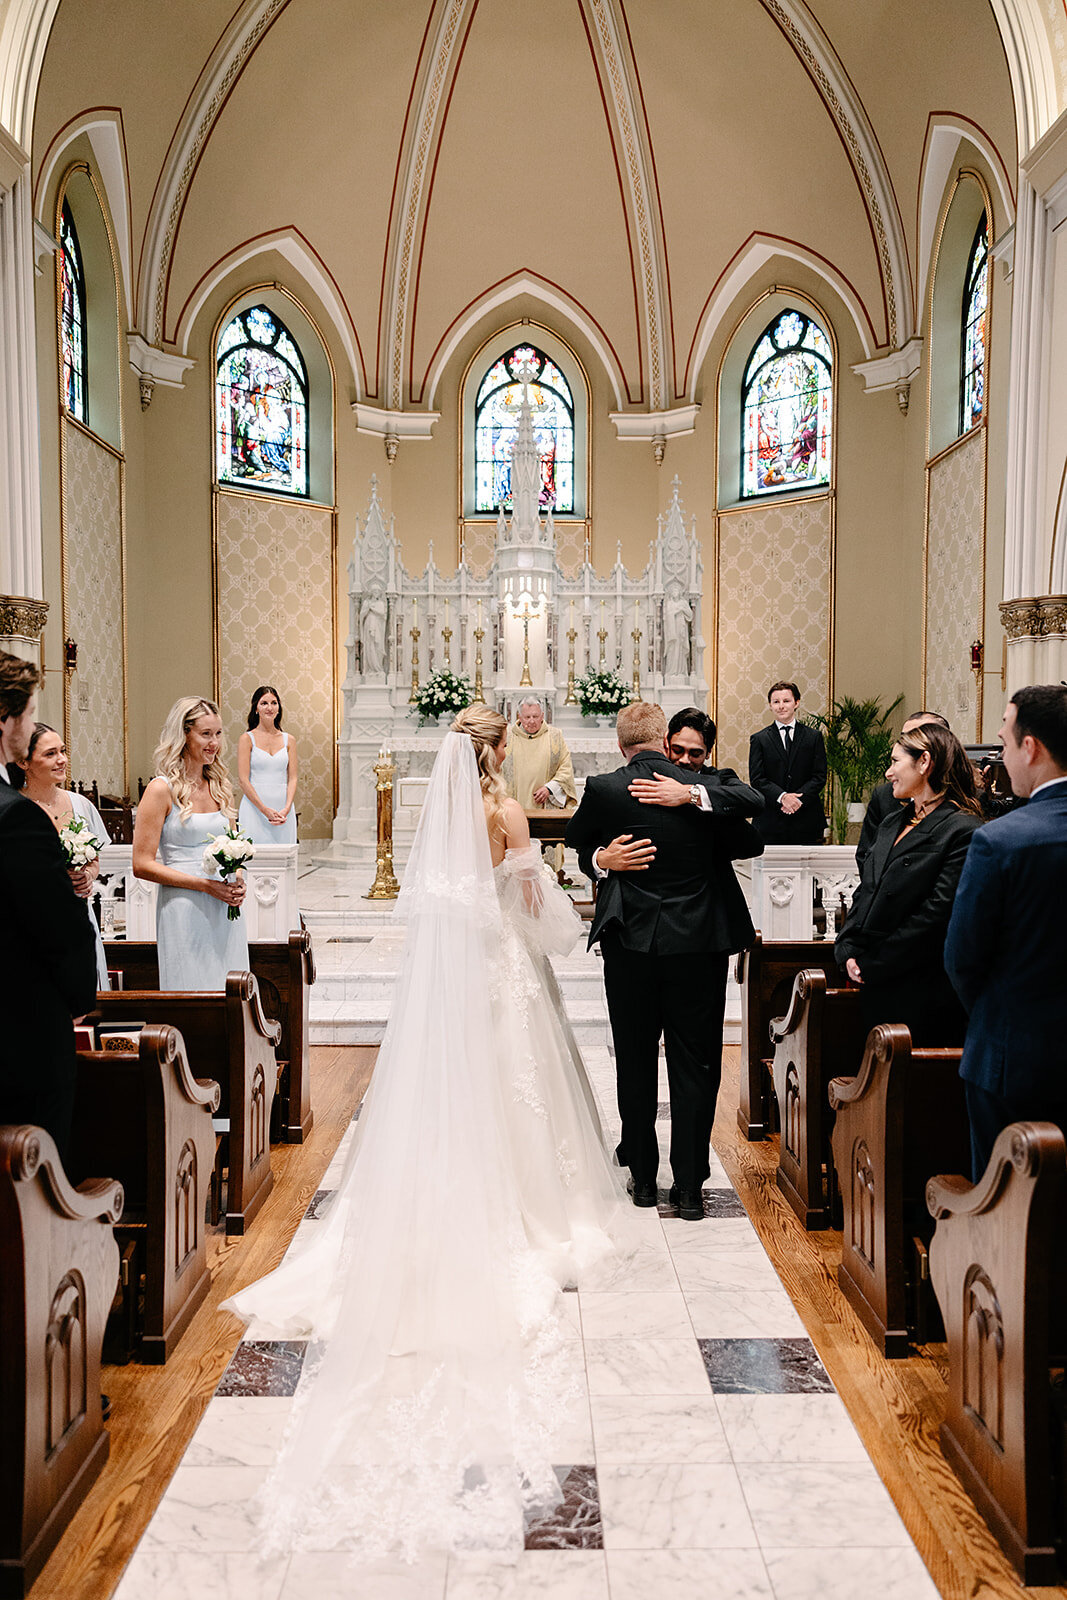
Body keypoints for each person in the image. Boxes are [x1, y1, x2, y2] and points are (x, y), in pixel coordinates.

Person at [221, 704, 638, 1560]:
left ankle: (439, 1204)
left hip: (455, 982)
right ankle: (526, 1212)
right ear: (496, 756)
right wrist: (568, 923)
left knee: (460, 1088)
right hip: (504, 969)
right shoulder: (506, 813)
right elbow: (532, 898)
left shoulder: (443, 817)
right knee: (520, 1089)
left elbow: (445, 904)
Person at [565, 701, 762, 1221]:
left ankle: (646, 1180)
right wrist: (699, 798)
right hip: (698, 945)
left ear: (620, 743)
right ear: (665, 740)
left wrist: (598, 860)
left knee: (634, 1057)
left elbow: (574, 841)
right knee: (695, 1062)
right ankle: (691, 1186)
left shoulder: (607, 790)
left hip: (630, 945)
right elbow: (750, 838)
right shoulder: (702, 794)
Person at [944, 686, 1067, 1179]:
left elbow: (962, 958)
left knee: (1005, 1215)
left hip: (1013, 1060)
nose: (1002, 758)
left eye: (1005, 743)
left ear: (1031, 748)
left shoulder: (1001, 840)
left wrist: (998, 1018)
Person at [0, 651, 97, 1157]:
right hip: (20, 1035)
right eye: (31, 714)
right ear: (6, 720)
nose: (32, 725)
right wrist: (81, 999)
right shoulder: (16, 818)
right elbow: (59, 930)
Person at [835, 723, 983, 1046]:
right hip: (876, 984)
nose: (888, 773)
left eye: (895, 762)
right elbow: (867, 889)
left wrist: (874, 963)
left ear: (924, 762)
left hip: (921, 988)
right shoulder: (892, 821)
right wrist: (846, 948)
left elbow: (936, 914)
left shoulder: (962, 830)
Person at [133, 697, 248, 989]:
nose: (214, 743)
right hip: (183, 906)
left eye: (219, 733)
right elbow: (141, 864)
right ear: (184, 735)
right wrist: (205, 885)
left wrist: (237, 880)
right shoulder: (161, 790)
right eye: (206, 734)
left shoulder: (221, 787)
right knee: (190, 985)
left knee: (230, 987)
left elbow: (233, 846)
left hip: (224, 907)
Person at [19, 723, 111, 987]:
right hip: (35, 918)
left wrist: (87, 876)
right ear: (25, 762)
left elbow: (94, 858)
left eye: (63, 751)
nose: (61, 760)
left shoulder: (81, 805)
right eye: (50, 754)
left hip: (79, 913)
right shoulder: (16, 809)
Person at [855, 710, 949, 874]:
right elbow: (866, 856)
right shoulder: (884, 797)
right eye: (904, 736)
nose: (906, 744)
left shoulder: (962, 813)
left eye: (916, 736)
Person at [748, 680, 827, 844]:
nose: (781, 706)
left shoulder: (813, 737)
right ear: (770, 705)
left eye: (786, 701)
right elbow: (757, 779)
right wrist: (783, 797)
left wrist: (797, 800)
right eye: (776, 702)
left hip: (807, 818)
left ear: (796, 703)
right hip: (771, 820)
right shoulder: (759, 739)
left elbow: (819, 776)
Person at [237, 684, 298, 845]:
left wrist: (286, 808)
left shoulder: (289, 740)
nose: (269, 707)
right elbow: (243, 780)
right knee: (253, 859)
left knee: (284, 860)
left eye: (274, 702)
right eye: (264, 703)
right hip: (254, 809)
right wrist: (264, 810)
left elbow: (293, 778)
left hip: (283, 811)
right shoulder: (246, 739)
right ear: (256, 708)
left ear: (279, 708)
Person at [501, 696, 576, 809]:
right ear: (519, 717)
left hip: (545, 806)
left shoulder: (555, 736)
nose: (531, 721)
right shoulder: (507, 736)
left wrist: (550, 788)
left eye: (535, 716)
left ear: (542, 716)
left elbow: (566, 768)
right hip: (512, 805)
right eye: (527, 717)